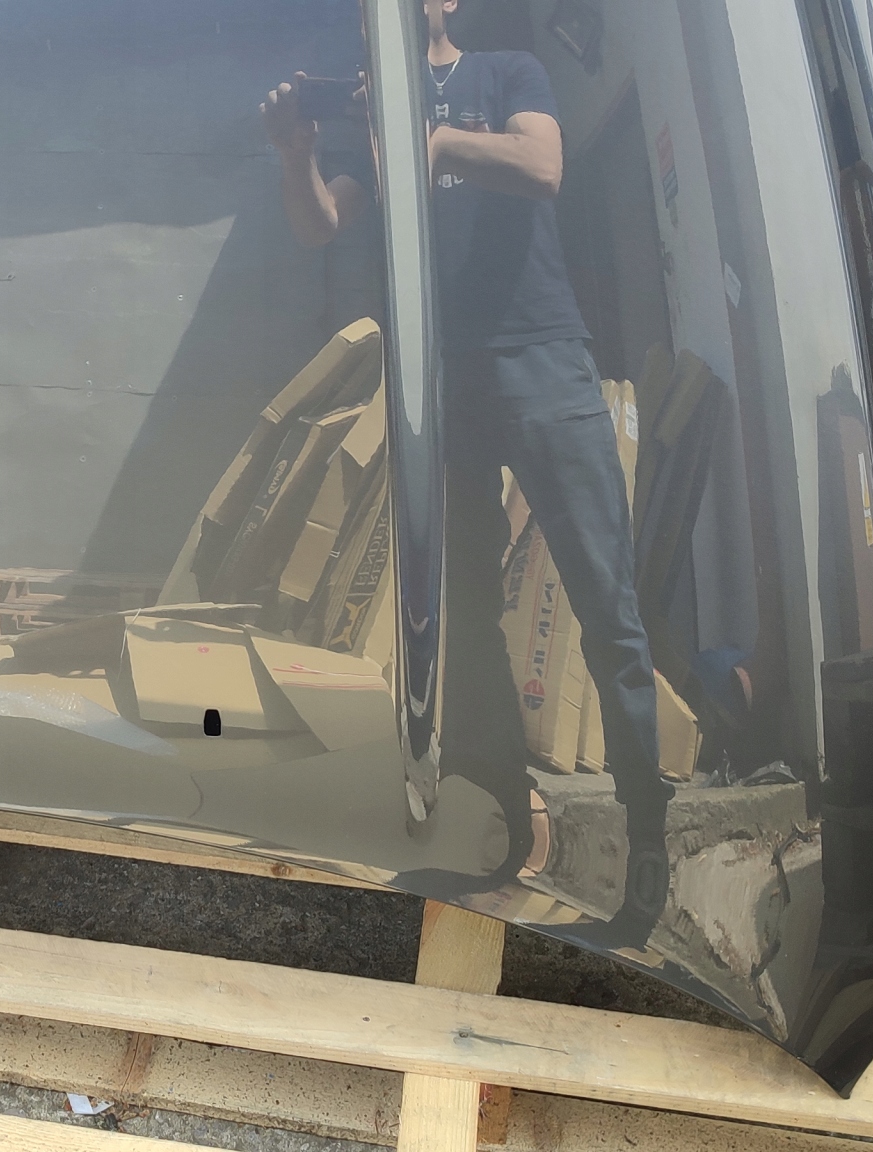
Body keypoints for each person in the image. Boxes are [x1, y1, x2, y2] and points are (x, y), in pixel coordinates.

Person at [262, 0, 671, 946]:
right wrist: (295, 153)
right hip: (444, 375)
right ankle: (497, 829)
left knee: (606, 602)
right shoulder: (370, 111)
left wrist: (434, 140)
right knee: (465, 612)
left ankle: (649, 840)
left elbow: (544, 164)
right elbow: (324, 223)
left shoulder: (503, 73)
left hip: (542, 357)